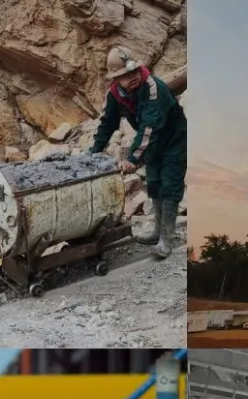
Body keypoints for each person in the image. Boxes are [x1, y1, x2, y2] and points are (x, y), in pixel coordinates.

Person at [87, 46, 187, 260]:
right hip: (152, 143)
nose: (132, 77)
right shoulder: (115, 94)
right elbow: (108, 123)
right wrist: (94, 151)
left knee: (170, 185)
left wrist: (132, 158)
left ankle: (166, 238)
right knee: (154, 184)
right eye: (125, 75)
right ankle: (156, 231)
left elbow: (149, 127)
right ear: (116, 78)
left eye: (133, 71)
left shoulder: (153, 88)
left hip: (173, 140)